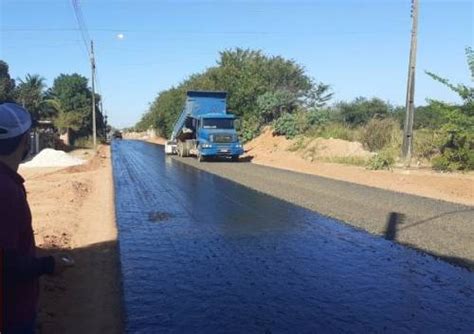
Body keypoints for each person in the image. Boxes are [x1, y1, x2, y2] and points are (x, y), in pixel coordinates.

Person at [0, 103, 71, 334]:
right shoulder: (6, 191)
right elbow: (6, 265)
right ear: (24, 141)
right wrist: (49, 265)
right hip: (11, 316)